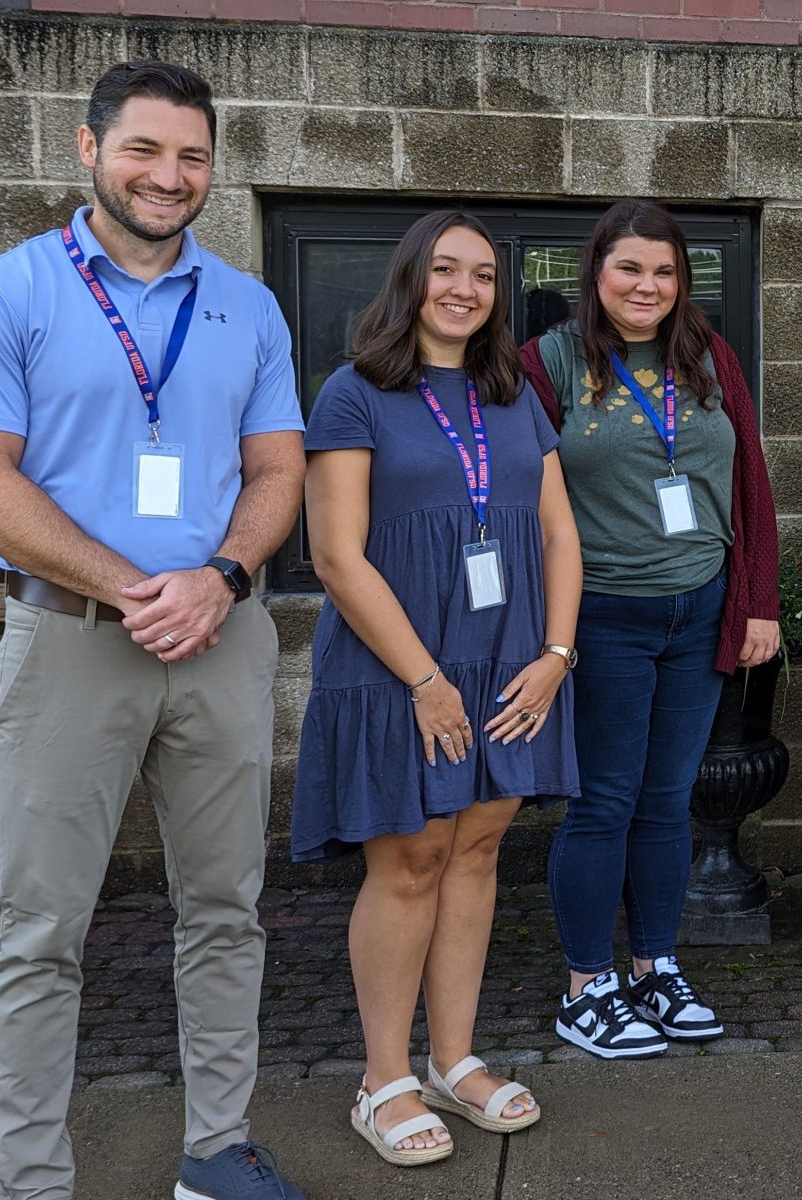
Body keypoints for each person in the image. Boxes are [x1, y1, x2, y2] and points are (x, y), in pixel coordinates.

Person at [0, 62, 308, 1200]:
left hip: (218, 638)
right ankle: (36, 1181)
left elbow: (277, 468)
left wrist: (224, 575)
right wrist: (138, 585)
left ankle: (215, 1153)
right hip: (69, 643)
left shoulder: (246, 302)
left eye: (192, 156)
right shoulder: (8, 291)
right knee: (40, 930)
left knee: (226, 911)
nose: (170, 175)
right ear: (89, 149)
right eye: (145, 150)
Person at [294, 211, 579, 1164]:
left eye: (485, 276)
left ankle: (454, 1060)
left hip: (508, 664)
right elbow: (336, 555)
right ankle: (383, 1080)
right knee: (410, 858)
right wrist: (421, 678)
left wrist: (556, 655)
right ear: (410, 279)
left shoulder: (514, 394)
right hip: (398, 669)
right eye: (446, 270)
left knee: (480, 851)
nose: (464, 289)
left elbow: (556, 535)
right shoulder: (354, 393)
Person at [520, 200, 780, 1058]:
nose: (647, 286)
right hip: (602, 618)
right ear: (596, 271)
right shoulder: (548, 362)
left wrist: (757, 601)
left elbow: (749, 483)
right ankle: (584, 987)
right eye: (630, 267)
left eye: (664, 272)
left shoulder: (709, 357)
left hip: (698, 606)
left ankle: (653, 967)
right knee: (604, 802)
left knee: (669, 801)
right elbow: (521, 498)